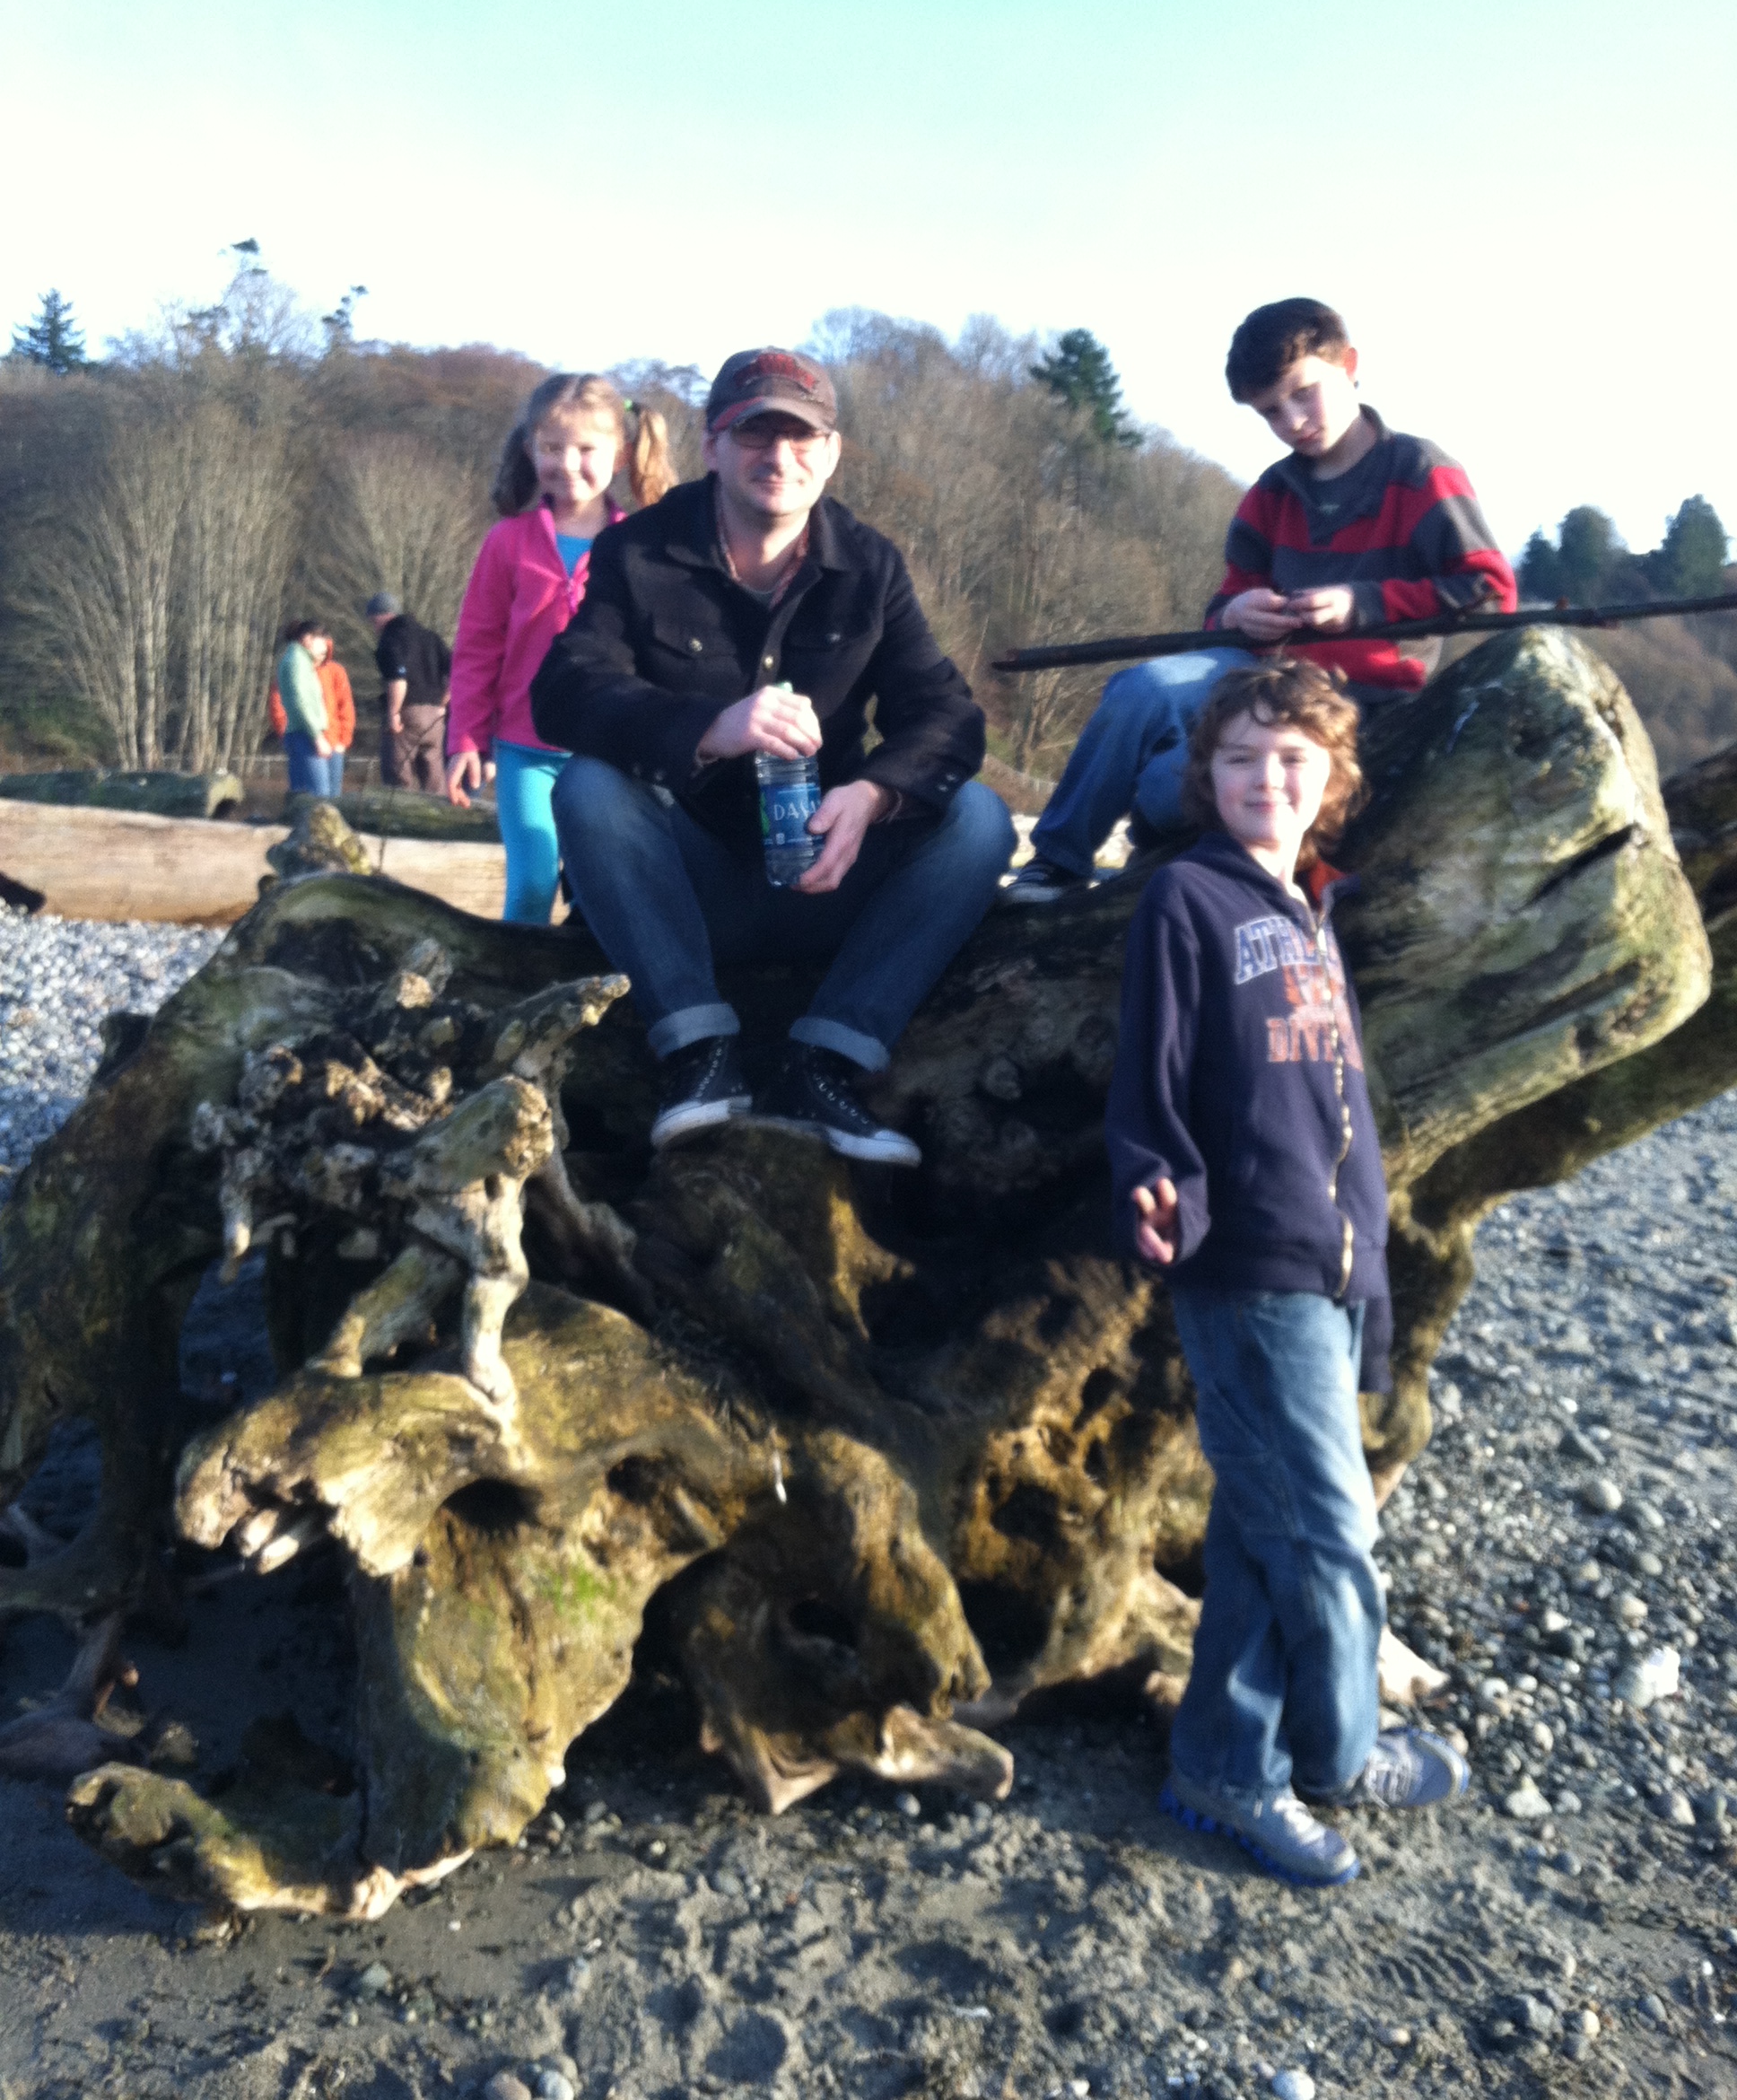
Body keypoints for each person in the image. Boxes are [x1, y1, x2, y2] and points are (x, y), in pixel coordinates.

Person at [1105, 658, 1467, 1888]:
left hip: (1329, 1260)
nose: (1268, 779)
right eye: (1243, 758)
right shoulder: (1188, 898)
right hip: (1247, 1266)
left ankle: (1224, 1764)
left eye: (1294, 760)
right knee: (1329, 1530)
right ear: (1205, 775)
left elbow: (1340, 1106)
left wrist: (1370, 1277)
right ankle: (1339, 1752)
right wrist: (1159, 1176)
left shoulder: (1311, 912)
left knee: (1266, 1531)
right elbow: (1150, 1074)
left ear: (1332, 781)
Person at [533, 346, 1015, 1162]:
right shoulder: (638, 550)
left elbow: (946, 716)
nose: (779, 457)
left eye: (802, 437)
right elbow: (564, 691)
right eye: (755, 434)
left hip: (827, 881)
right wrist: (706, 729)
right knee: (589, 786)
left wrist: (875, 795)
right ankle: (696, 1051)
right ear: (712, 445)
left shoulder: (871, 565)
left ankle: (826, 1062)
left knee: (979, 818)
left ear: (831, 453)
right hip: (686, 888)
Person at [1005, 296, 1516, 902]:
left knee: (1163, 793)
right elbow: (1220, 612)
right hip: (1256, 684)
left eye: (1304, 394)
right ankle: (1055, 865)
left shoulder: (1420, 469)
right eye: (1271, 411)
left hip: (1358, 706)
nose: (1293, 421)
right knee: (1141, 689)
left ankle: (1166, 858)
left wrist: (1361, 604)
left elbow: (1491, 594)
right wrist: (1234, 614)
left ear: (1349, 365)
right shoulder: (1270, 494)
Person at [446, 374, 677, 921]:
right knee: (532, 882)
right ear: (530, 450)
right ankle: (516, 972)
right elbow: (477, 647)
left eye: (586, 449)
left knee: (602, 895)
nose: (568, 464)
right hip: (525, 751)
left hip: (608, 753)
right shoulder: (506, 542)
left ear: (621, 454)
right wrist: (466, 738)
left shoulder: (641, 545)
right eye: (552, 448)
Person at [366, 593, 452, 793]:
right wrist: (442, 705)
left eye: (373, 621)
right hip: (435, 717)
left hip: (407, 713)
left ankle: (397, 813)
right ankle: (437, 811)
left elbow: (398, 679)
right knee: (434, 778)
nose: (374, 627)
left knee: (398, 778)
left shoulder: (391, 639)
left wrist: (394, 713)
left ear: (382, 615)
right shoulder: (431, 637)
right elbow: (455, 674)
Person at [273, 619, 339, 796]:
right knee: (318, 797)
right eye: (321, 640)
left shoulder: (299, 660)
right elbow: (300, 702)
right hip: (305, 737)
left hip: (302, 735)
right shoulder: (297, 662)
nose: (325, 645)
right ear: (308, 639)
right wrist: (317, 737)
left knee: (301, 797)